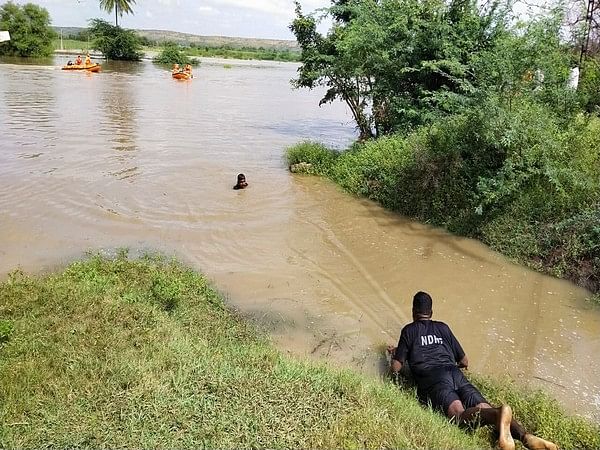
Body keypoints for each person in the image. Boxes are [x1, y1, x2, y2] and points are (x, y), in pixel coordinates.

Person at [387, 291, 558, 450]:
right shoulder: (443, 328)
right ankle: (526, 436)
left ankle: (499, 413)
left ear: (413, 311)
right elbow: (464, 361)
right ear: (431, 312)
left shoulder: (409, 330)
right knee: (483, 406)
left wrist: (397, 355)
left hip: (435, 378)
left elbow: (396, 368)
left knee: (459, 416)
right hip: (455, 373)